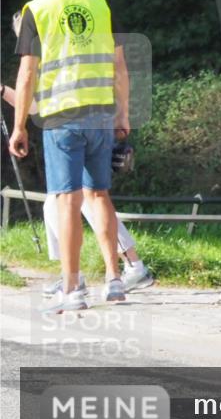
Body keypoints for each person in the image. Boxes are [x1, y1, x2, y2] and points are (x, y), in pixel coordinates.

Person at [8, 0, 131, 312]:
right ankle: (114, 281)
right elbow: (119, 66)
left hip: (63, 117)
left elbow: (28, 72)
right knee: (99, 195)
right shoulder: (99, 3)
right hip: (101, 115)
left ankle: (73, 289)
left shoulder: (36, 9)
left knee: (67, 199)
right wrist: (123, 115)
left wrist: (19, 127)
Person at [1, 80, 154, 294]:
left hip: (80, 129)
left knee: (88, 200)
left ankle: (131, 266)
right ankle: (75, 273)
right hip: (80, 127)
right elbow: (35, 106)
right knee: (58, 205)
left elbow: (35, 105)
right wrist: (3, 91)